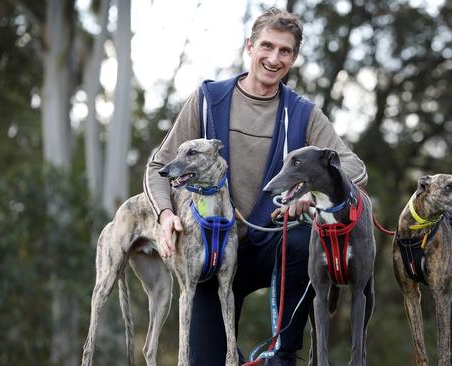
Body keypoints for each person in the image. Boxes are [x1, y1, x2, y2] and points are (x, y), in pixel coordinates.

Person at [144, 7, 367, 366]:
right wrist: (165, 213)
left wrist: (309, 193)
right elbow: (159, 167)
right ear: (249, 46)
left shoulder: (304, 113)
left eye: (285, 51)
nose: (274, 58)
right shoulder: (207, 99)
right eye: (267, 46)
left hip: (271, 246)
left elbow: (353, 165)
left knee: (301, 240)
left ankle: (282, 354)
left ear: (293, 58)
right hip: (210, 251)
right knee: (207, 360)